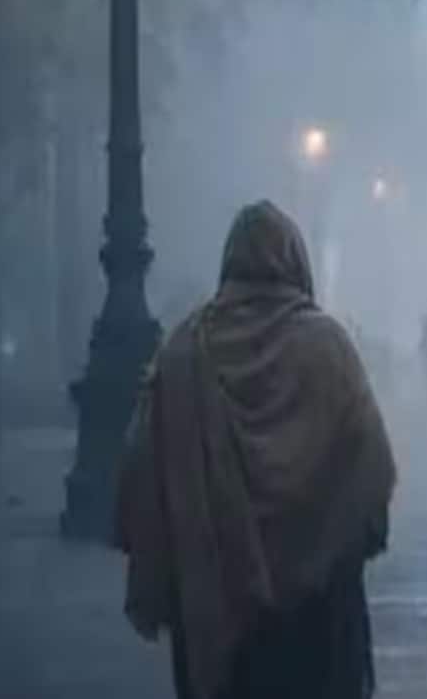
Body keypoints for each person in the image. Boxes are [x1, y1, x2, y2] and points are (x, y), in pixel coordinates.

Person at [116, 200, 396, 699]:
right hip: (317, 616)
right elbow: (371, 469)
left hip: (213, 607)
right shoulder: (328, 348)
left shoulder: (184, 352)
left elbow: (141, 476)